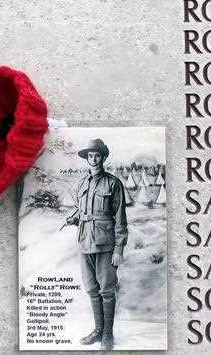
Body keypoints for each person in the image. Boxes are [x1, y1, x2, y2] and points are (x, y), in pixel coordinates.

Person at [64, 138, 128, 350]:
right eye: (90, 155)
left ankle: (108, 336)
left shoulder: (113, 183)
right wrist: (74, 220)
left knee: (107, 290)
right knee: (92, 289)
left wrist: (119, 248)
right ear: (87, 158)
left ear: (103, 157)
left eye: (97, 155)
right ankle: (98, 330)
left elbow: (120, 218)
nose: (93, 159)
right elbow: (83, 212)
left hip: (105, 244)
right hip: (84, 242)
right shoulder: (82, 183)